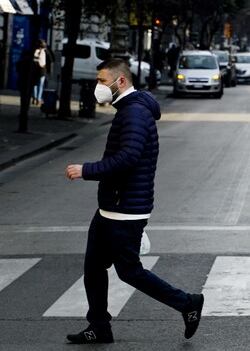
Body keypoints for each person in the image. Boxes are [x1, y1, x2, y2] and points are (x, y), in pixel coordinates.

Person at [65, 58, 203, 344]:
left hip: (125, 208)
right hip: (112, 207)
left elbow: (128, 158)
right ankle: (99, 326)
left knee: (129, 271)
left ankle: (187, 303)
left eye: (103, 81)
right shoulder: (128, 110)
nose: (98, 87)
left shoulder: (134, 113)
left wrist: (86, 170)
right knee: (93, 266)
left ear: (121, 82)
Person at [31, 39, 48, 105]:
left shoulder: (34, 51)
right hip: (42, 69)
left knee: (35, 84)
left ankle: (35, 98)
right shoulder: (44, 52)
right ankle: (38, 98)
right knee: (41, 85)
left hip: (35, 69)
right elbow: (52, 58)